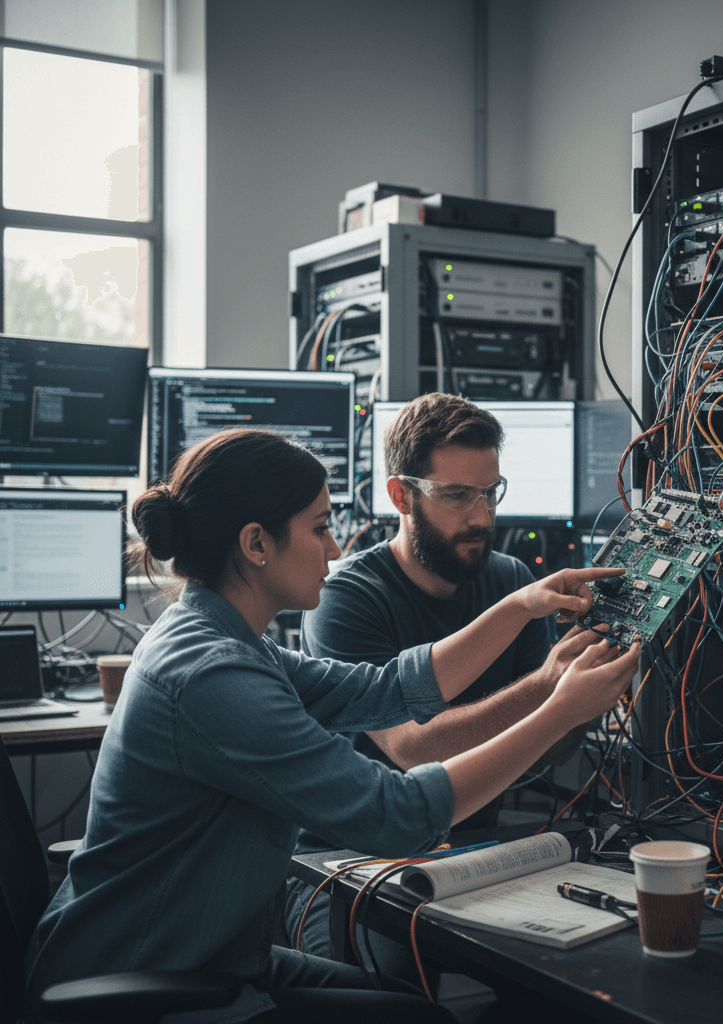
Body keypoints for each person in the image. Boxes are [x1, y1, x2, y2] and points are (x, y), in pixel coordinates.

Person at [23, 428, 639, 1024]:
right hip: (149, 985)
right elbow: (395, 813)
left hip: (213, 959)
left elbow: (386, 688)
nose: (336, 549)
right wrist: (560, 709)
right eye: (320, 528)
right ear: (256, 544)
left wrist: (520, 604)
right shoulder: (212, 675)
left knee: (412, 1011)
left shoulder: (222, 636)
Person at [287, 393, 608, 959]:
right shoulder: (345, 599)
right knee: (389, 983)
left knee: (580, 971)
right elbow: (414, 749)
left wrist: (599, 665)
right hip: (346, 865)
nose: (482, 517)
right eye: (458, 495)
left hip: (476, 852)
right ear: (401, 495)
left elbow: (558, 749)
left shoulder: (512, 581)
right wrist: (549, 691)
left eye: (490, 493)